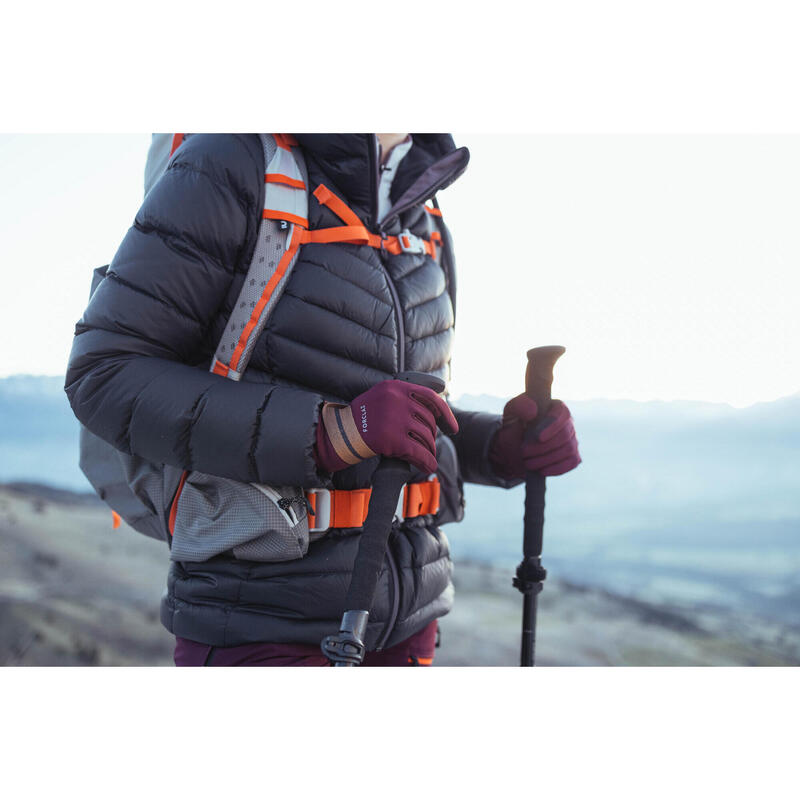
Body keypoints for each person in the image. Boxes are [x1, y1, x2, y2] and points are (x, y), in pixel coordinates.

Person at [65, 133, 581, 667]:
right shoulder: (232, 161)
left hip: (408, 625)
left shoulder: (421, 210)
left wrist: (498, 447)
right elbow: (105, 374)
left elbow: (395, 418)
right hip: (260, 621)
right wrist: (332, 433)